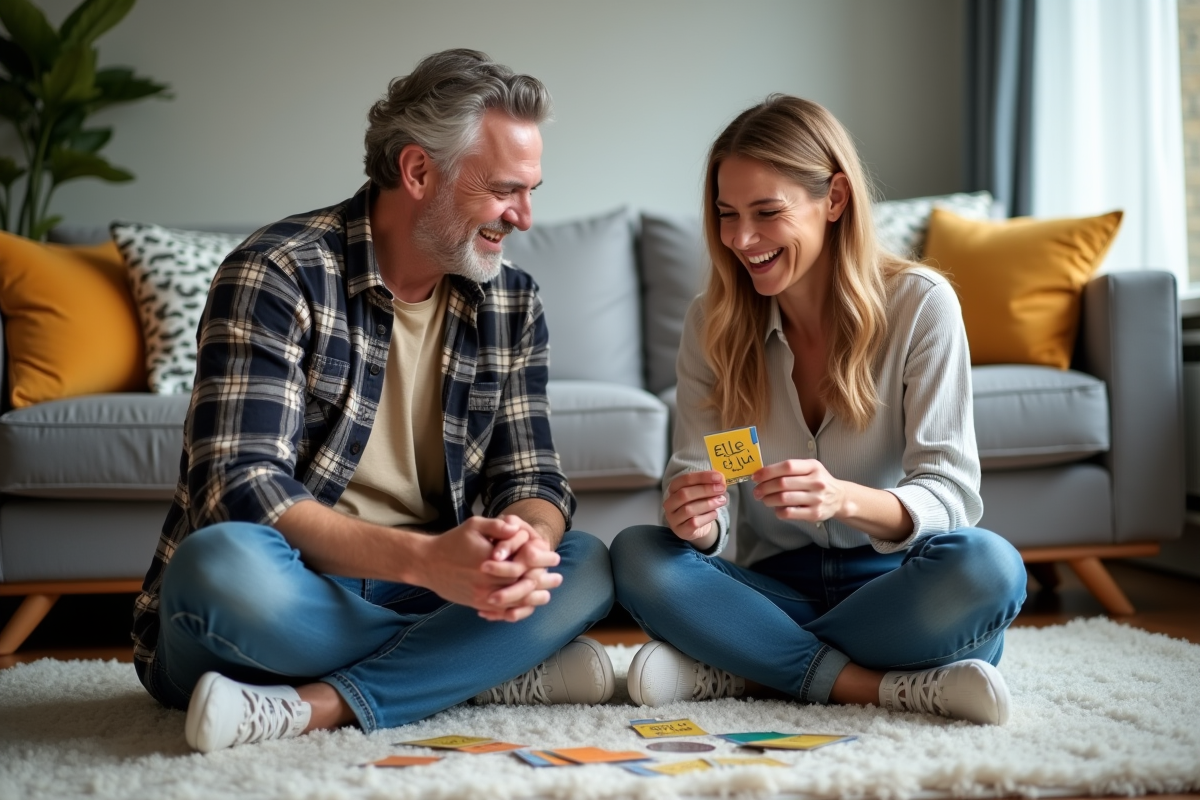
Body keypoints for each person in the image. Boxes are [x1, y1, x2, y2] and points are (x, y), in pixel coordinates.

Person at [131, 49, 616, 754]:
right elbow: (241, 488)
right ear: (419, 172)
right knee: (218, 569)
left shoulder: (513, 302)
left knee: (585, 564)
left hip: (435, 591)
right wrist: (428, 564)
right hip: (299, 589)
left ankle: (318, 705)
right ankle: (472, 666)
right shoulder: (278, 272)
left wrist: (523, 543)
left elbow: (532, 480)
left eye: (532, 189)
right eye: (507, 190)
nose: (526, 217)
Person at [609, 95, 1026, 725]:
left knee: (988, 569)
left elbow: (951, 494)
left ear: (833, 198)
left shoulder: (920, 306)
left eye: (767, 213)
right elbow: (701, 484)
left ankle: (743, 664)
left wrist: (845, 500)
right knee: (640, 553)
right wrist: (697, 523)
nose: (742, 239)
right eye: (726, 215)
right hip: (770, 588)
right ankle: (880, 683)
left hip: (890, 582)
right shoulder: (712, 325)